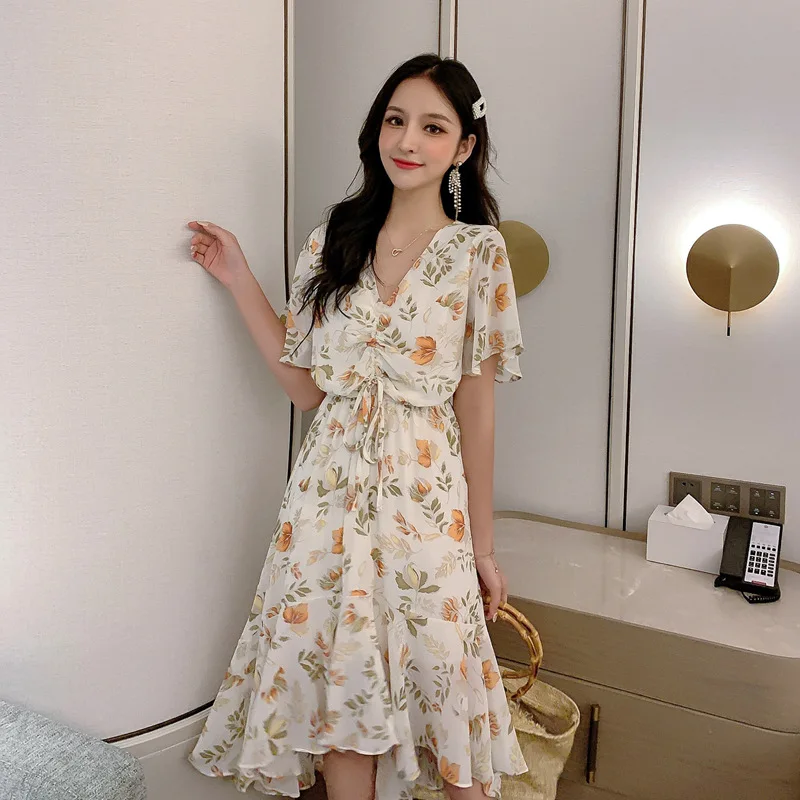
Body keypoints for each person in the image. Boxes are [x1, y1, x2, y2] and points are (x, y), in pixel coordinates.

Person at [186, 53, 526, 800]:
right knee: (340, 699)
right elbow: (306, 388)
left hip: (425, 502)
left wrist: (483, 547)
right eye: (395, 120)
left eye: (432, 127)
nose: (407, 140)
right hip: (325, 502)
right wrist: (240, 278)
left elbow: (477, 410)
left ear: (463, 147)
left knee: (448, 685)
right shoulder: (332, 239)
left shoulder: (477, 253)